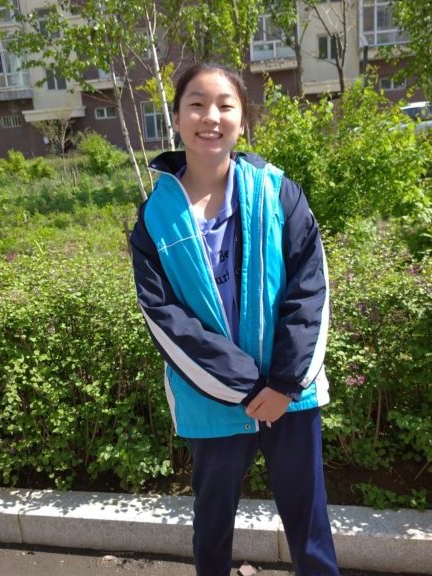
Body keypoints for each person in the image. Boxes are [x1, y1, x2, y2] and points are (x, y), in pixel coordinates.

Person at [130, 62, 339, 576]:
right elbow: (165, 318)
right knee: (213, 523)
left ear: (243, 120)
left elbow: (310, 286)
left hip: (291, 395)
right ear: (176, 119)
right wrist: (247, 389)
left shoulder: (277, 192)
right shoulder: (155, 218)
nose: (211, 116)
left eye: (226, 104)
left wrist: (285, 384)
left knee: (309, 523)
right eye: (196, 104)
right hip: (213, 399)